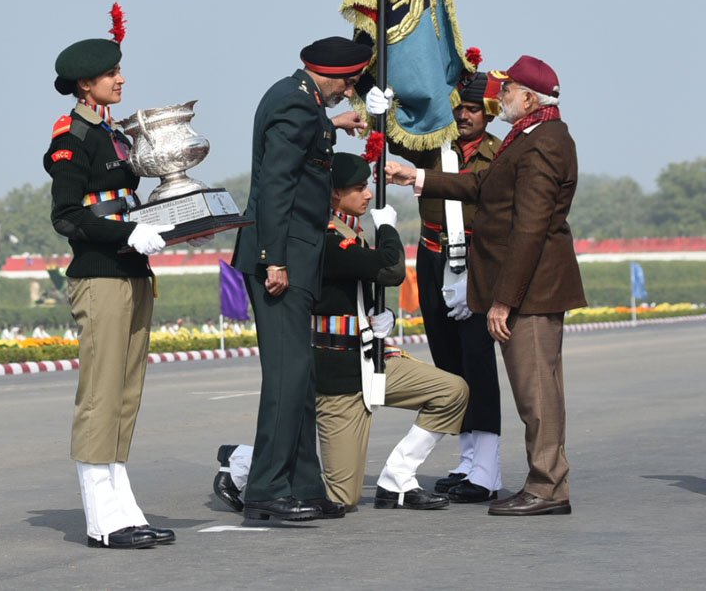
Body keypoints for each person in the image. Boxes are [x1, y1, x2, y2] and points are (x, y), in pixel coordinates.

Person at [385, 55, 587, 516]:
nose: (501, 97)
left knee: (536, 394)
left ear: (529, 98)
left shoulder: (543, 144)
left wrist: (503, 301)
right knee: (538, 391)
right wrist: (417, 176)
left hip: (532, 291)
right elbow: (481, 185)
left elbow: (530, 228)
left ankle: (546, 487)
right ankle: (547, 483)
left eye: (508, 90)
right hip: (528, 286)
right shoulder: (532, 136)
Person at [214, 153, 469, 513]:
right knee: (340, 497)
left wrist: (375, 315)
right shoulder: (325, 240)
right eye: (359, 188)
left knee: (451, 391)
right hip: (339, 377)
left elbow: (353, 290)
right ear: (334, 193)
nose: (368, 194)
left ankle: (398, 477)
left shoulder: (351, 233)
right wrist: (388, 229)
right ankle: (243, 460)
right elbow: (391, 269)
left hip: (370, 359)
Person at [44, 4, 175, 549]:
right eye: (111, 73)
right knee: (101, 395)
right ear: (85, 84)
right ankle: (103, 519)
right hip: (100, 276)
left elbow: (124, 202)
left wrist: (171, 224)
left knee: (125, 394)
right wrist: (127, 233)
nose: (120, 80)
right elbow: (66, 216)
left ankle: (124, 507)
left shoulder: (114, 134)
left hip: (132, 272)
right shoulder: (73, 137)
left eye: (119, 70)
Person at [232, 36, 371, 522]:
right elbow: (276, 184)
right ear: (330, 75)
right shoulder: (295, 104)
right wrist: (273, 258)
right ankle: (266, 489)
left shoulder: (302, 101)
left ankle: (304, 485)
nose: (349, 91)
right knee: (286, 376)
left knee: (301, 375)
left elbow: (301, 150)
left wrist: (332, 124)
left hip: (295, 255)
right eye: (349, 83)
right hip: (282, 257)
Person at [384, 70, 504, 503]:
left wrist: (478, 277)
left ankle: (487, 468)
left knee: (478, 362)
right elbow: (399, 141)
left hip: (475, 260)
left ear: (488, 114)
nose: (464, 116)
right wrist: (384, 110)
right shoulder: (436, 145)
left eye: (473, 109)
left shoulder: (499, 153)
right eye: (459, 108)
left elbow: (492, 207)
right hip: (432, 255)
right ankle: (467, 460)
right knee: (448, 361)